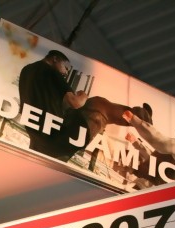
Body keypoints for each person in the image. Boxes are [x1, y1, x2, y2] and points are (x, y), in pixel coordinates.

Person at [18, 50, 153, 161]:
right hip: (56, 136)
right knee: (100, 105)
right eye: (66, 67)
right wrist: (83, 95)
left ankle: (139, 118)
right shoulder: (51, 71)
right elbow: (76, 103)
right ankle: (141, 117)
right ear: (55, 59)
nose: (65, 72)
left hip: (37, 136)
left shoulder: (27, 70)